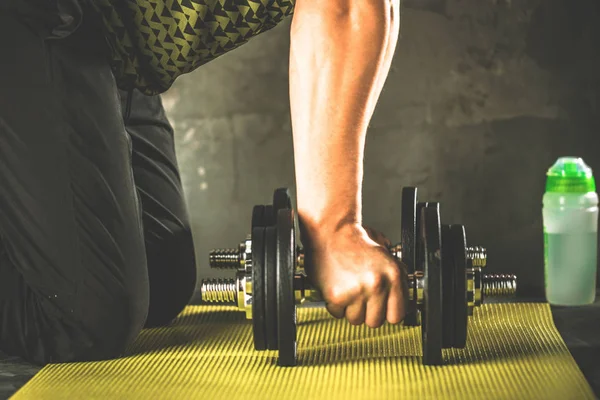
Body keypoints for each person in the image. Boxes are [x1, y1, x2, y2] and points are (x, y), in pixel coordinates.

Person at [0, 0, 404, 366]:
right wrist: (335, 230)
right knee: (81, 319)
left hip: (106, 40)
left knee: (163, 285)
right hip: (31, 19)